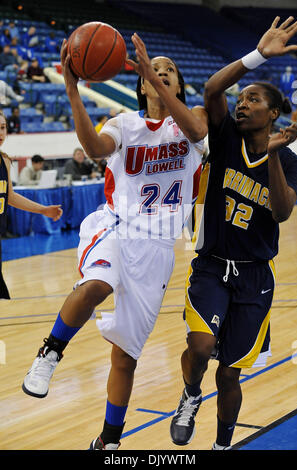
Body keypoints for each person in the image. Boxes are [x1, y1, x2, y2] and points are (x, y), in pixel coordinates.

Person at [22, 33, 208, 450]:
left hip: (159, 247)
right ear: (141, 84)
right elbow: (92, 149)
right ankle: (50, 353)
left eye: (169, 71)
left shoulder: (193, 120)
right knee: (97, 285)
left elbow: (197, 129)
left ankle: (109, 441)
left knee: (126, 356)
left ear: (177, 85)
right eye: (153, 70)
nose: (161, 73)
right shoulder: (125, 124)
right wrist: (72, 91)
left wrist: (151, 73)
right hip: (117, 226)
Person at [170, 16, 297, 451]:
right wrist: (258, 56)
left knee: (230, 373)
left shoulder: (289, 160)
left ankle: (224, 444)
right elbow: (210, 90)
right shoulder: (225, 135)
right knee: (202, 347)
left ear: (274, 112)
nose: (242, 104)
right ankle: (190, 394)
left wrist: (277, 156)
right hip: (210, 265)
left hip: (255, 275)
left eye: (253, 99)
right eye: (241, 98)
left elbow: (281, 213)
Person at [0, 110, 63, 298]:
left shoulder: (4, 161)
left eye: (3, 128)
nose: (1, 133)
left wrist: (42, 209)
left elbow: (10, 196)